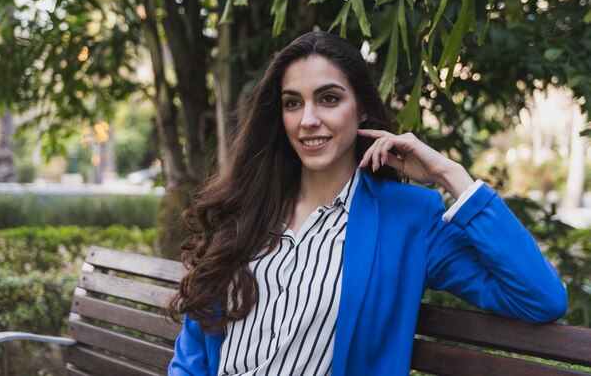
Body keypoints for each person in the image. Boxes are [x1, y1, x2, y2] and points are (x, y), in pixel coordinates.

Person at [166, 31, 567, 376]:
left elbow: (540, 298)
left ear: (361, 110)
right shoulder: (246, 210)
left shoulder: (409, 218)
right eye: (293, 102)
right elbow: (195, 351)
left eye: (328, 98)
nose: (307, 119)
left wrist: (452, 176)